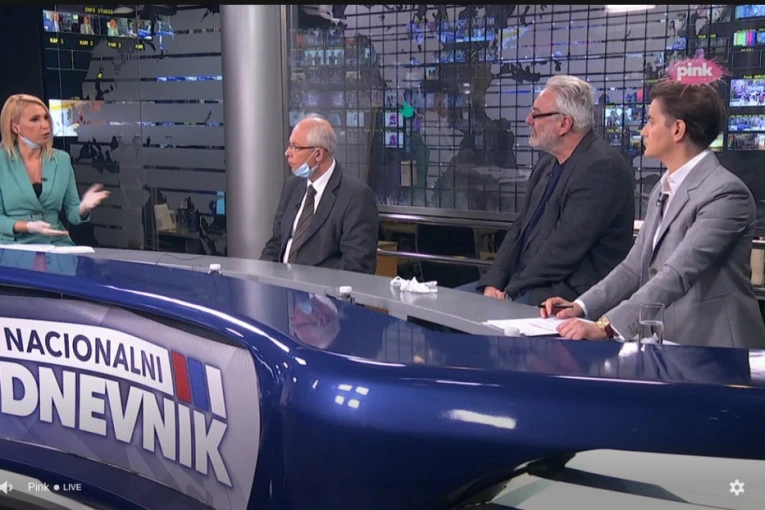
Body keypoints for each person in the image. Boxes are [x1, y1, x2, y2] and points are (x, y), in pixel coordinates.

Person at [543, 79, 765, 348]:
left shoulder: (726, 194)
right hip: (667, 340)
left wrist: (607, 327)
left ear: (678, 129)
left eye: (651, 121)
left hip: (716, 348)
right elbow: (634, 266)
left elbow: (677, 274)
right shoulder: (664, 186)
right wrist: (581, 306)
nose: (644, 131)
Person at [470, 75, 634, 304]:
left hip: (561, 294)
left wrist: (509, 292)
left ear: (564, 124)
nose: (528, 120)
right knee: (440, 311)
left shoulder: (602, 167)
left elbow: (565, 248)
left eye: (536, 114)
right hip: (523, 284)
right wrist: (494, 282)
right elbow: (520, 228)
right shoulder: (548, 163)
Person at [260, 114, 379, 273]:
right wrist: (262, 277)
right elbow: (275, 244)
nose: (287, 152)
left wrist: (302, 278)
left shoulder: (356, 196)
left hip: (321, 287)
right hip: (280, 284)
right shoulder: (291, 186)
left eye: (295, 147)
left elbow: (356, 266)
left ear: (318, 154)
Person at [0, 94, 110, 246]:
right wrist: (28, 226)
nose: (45, 125)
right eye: (35, 119)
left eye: (46, 117)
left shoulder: (61, 160)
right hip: (15, 245)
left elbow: (72, 214)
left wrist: (83, 208)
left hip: (56, 243)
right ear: (15, 127)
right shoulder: (2, 162)